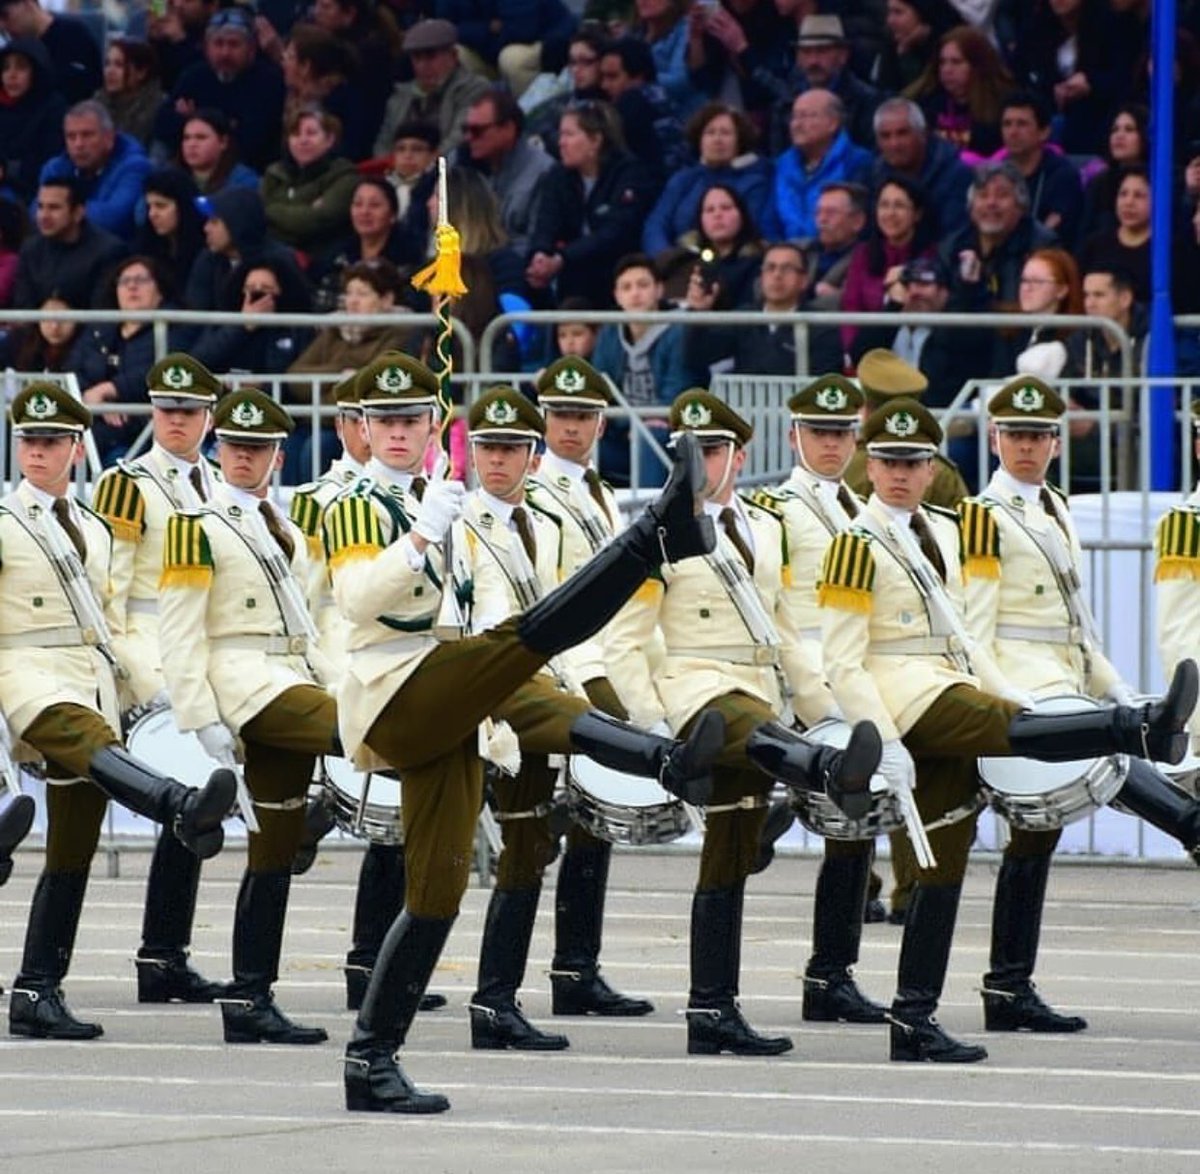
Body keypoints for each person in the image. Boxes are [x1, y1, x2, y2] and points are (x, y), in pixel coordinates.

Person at [322, 349, 719, 1112]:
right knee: (524, 644)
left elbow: (464, 609)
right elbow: (356, 601)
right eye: (383, 421)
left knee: (436, 891)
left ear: (433, 426)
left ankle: (371, 1061)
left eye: (411, 420)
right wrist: (418, 539)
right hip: (395, 690)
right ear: (363, 430)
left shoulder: (444, 501)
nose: (398, 433)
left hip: (449, 699)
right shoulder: (359, 504)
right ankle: (654, 539)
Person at [816, 395, 1198, 1062]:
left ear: (934, 467)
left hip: (960, 683)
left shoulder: (938, 529)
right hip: (910, 699)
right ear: (868, 467)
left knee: (943, 865)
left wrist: (1010, 687)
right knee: (1008, 727)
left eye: (913, 462)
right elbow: (843, 660)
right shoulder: (855, 543)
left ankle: (914, 1021)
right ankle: (1136, 730)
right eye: (888, 462)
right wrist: (883, 737)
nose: (901, 473)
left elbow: (966, 633)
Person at [604, 389, 883, 1056]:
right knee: (743, 729)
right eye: (692, 452)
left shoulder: (760, 526)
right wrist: (652, 726)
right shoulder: (659, 530)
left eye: (717, 451)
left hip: (756, 693)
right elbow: (625, 640)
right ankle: (820, 773)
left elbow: (783, 631)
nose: (705, 464)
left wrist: (829, 715)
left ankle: (711, 1011)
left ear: (740, 455)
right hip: (698, 695)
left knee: (725, 858)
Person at [459, 384, 719, 1051]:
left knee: (539, 842)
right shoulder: (459, 523)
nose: (499, 460)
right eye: (488, 447)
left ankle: (541, 984)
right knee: (513, 845)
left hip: (553, 672)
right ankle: (493, 998)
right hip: (496, 690)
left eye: (512, 448)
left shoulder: (540, 523)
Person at [961, 376, 1200, 1035]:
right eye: (1015, 435)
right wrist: (1005, 696)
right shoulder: (984, 516)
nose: (1027, 447)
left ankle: (1008, 989)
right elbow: (976, 626)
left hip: (1072, 677)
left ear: (1058, 443)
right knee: (1082, 785)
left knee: (1035, 843)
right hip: (1024, 685)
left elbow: (1079, 621)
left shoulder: (1056, 507)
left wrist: (1113, 681)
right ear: (994, 438)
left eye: (1039, 436)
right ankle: (1179, 796)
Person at [3, 381, 235, 1041]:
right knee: (79, 737)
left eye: (51, 441)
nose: (38, 452)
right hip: (26, 676)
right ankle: (177, 804)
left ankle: (36, 990)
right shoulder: (5, 522)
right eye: (29, 440)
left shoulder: (96, 529)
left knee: (72, 846)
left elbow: (109, 618)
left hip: (92, 678)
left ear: (76, 447)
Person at [157, 387, 341, 1045]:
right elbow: (179, 631)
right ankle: (347, 804)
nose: (242, 458)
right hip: (244, 681)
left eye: (256, 447)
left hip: (292, 671)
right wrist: (199, 714)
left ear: (277, 455)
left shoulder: (287, 525)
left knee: (274, 846)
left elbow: (311, 622)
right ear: (217, 447)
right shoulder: (195, 525)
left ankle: (249, 998)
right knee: (370, 735)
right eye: (233, 446)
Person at [750, 373, 890, 1019]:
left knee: (856, 829)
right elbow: (774, 613)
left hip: (856, 672)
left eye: (841, 433)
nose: (831, 444)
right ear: (795, 435)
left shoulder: (864, 511)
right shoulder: (776, 512)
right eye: (819, 432)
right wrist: (814, 698)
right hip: (806, 676)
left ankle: (830, 975)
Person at [525, 356, 661, 1018]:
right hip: (563, 661)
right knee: (561, 817)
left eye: (581, 417)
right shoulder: (533, 491)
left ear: (601, 423)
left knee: (594, 820)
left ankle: (576, 968)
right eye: (560, 416)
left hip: (605, 656)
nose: (570, 429)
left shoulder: (601, 493)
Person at [90, 354, 228, 1003]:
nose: (176, 421)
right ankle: (160, 955)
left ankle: (165, 955)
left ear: (208, 416)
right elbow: (109, 583)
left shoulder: (217, 484)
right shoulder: (128, 483)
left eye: (189, 410)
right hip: (149, 642)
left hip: (204, 643)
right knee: (184, 794)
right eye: (167, 409)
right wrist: (124, 665)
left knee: (197, 805)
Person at [285, 258, 417, 478]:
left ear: (386, 299)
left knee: (315, 448)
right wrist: (341, 371)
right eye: (349, 293)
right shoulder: (335, 330)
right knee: (288, 446)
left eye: (363, 294)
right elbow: (295, 378)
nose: (353, 301)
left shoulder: (400, 331)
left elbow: (368, 383)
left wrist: (329, 385)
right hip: (322, 421)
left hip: (360, 428)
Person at [525, 100, 655, 309]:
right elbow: (545, 223)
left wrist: (563, 258)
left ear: (595, 140)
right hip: (569, 274)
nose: (561, 142)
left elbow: (616, 231)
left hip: (613, 271)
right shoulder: (557, 176)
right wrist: (540, 254)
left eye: (569, 134)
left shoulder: (629, 173)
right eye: (561, 134)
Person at [72, 254, 187, 465]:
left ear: (160, 291)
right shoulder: (99, 329)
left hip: (142, 429)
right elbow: (74, 370)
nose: (132, 286)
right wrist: (95, 398)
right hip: (93, 419)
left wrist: (112, 389)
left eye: (141, 280)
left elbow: (165, 371)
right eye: (124, 281)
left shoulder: (174, 330)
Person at [590, 253, 691, 488]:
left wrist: (644, 423)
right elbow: (600, 390)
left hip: (666, 434)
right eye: (626, 287)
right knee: (573, 440)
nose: (635, 293)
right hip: (622, 432)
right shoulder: (609, 334)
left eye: (643, 285)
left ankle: (650, 520)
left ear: (659, 290)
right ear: (617, 295)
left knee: (650, 437)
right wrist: (629, 423)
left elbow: (677, 390)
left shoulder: (678, 331)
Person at [683, 240, 843, 383]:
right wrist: (698, 314)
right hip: (743, 411)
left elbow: (824, 382)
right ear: (761, 276)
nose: (777, 275)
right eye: (770, 268)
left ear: (804, 280)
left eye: (787, 268)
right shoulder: (743, 318)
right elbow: (697, 358)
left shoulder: (822, 326)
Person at [153, 6, 287, 174]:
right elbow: (162, 123)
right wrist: (225, 124)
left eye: (234, 44)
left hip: (244, 172)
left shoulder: (269, 81)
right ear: (207, 48)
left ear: (251, 49)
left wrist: (193, 119)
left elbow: (251, 142)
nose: (225, 52)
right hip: (190, 167)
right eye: (218, 44)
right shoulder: (195, 75)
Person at [641, 101, 773, 257]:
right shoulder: (683, 180)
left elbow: (750, 230)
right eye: (710, 132)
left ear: (739, 140)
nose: (717, 139)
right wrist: (666, 258)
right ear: (699, 139)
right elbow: (656, 225)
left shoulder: (755, 181)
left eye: (725, 133)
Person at [940, 161, 1056, 322]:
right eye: (983, 195)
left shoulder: (1042, 246)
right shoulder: (953, 246)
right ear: (971, 206)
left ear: (1020, 206)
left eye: (1002, 195)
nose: (991, 203)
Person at [840, 175, 937, 357]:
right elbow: (851, 306)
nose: (890, 213)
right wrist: (850, 350)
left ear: (917, 213)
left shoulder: (934, 256)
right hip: (872, 351)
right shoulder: (863, 254)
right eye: (884, 205)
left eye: (899, 206)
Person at [373, 18, 491, 158]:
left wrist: (425, 165)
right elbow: (384, 143)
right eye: (417, 58)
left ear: (453, 56)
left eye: (430, 56)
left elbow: (459, 138)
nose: (423, 66)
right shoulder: (401, 95)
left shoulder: (474, 89)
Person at [762, 13, 882, 152]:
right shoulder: (785, 104)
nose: (813, 61)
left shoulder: (866, 101)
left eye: (821, 51)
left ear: (843, 55)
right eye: (806, 52)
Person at [457, 88, 555, 256]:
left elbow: (536, 242)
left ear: (509, 128)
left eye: (477, 131)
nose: (468, 137)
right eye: (465, 129)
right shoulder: (462, 161)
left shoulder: (544, 173)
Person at [766, 89, 872, 242]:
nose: (797, 124)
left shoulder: (858, 161)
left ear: (833, 123)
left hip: (836, 253)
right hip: (786, 254)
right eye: (794, 117)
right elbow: (769, 220)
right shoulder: (781, 164)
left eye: (807, 116)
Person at [37, 100, 152, 241]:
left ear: (109, 138)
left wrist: (63, 213)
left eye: (87, 135)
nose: (78, 144)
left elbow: (114, 219)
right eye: (71, 137)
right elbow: (34, 214)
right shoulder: (55, 167)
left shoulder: (135, 167)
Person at [12, 180, 127, 312]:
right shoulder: (30, 249)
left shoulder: (109, 251)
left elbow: (102, 310)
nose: (44, 215)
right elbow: (22, 307)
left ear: (78, 212)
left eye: (54, 208)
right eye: (40, 207)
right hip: (35, 330)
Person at [261, 104, 358, 256]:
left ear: (329, 139)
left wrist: (270, 209)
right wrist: (306, 208)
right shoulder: (274, 173)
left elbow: (316, 221)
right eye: (295, 134)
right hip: (271, 251)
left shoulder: (345, 175)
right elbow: (257, 215)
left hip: (320, 257)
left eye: (311, 133)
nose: (303, 140)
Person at [596, 36, 687, 198]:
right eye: (602, 77)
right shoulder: (662, 97)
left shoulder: (633, 102)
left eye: (613, 77)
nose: (604, 85)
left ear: (638, 77)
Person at [870, 97, 973, 238]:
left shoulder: (956, 175)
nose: (894, 144)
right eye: (885, 136)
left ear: (923, 134)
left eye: (902, 133)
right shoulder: (875, 174)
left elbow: (952, 237)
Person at [906, 24, 1014, 158]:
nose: (947, 70)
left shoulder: (1003, 105)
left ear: (977, 66)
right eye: (942, 62)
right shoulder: (926, 102)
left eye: (956, 62)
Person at [995, 91, 1083, 249]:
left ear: (1044, 132)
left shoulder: (1062, 176)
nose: (1012, 132)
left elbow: (1052, 233)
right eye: (1007, 124)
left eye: (1022, 124)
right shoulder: (994, 175)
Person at [437, 0, 577, 97]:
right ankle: (482, 122)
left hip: (546, 41)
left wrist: (471, 32)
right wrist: (487, 28)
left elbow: (521, 31)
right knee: (455, 53)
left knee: (512, 59)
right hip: (494, 46)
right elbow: (444, 28)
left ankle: (533, 117)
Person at [663, 182, 764, 311]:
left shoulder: (759, 262)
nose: (717, 215)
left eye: (726, 208)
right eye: (709, 210)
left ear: (742, 214)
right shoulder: (682, 260)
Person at [0, 37, 67, 204]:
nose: (11, 75)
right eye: (5, 68)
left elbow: (49, 162)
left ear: (36, 70)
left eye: (21, 67)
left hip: (34, 194)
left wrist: (6, 172)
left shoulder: (53, 108)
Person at [0, 0, 101, 105]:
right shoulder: (13, 50)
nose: (2, 26)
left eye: (5, 15)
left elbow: (95, 87)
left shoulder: (75, 36)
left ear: (28, 4)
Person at [1076, 166, 1151, 306]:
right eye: (1123, 194)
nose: (1129, 202)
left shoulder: (1169, 249)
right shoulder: (1095, 245)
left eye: (1139, 195)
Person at [133, 167, 206, 297]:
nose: (152, 214)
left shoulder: (205, 249)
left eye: (161, 206)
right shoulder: (144, 247)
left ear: (183, 207)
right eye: (149, 206)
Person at [176, 108, 259, 198]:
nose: (191, 144)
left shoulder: (244, 182)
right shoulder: (169, 176)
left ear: (223, 142)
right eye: (186, 138)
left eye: (201, 137)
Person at [97, 37, 163, 147]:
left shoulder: (158, 108)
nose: (110, 71)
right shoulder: (97, 104)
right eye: (107, 64)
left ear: (141, 72)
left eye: (119, 65)